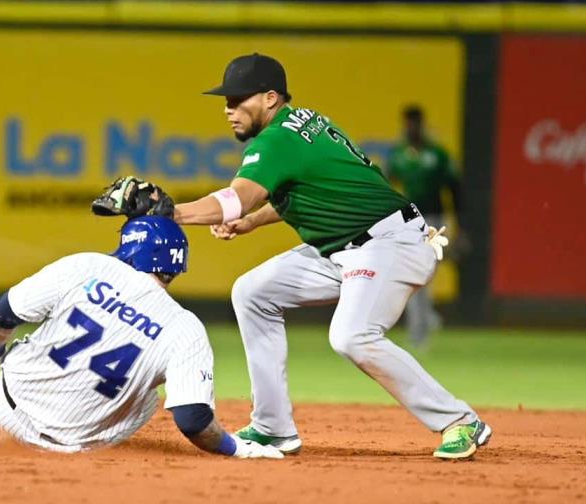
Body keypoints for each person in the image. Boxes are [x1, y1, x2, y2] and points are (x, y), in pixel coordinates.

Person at [96, 53, 491, 459]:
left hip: (388, 244)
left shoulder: (278, 139)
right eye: (226, 101)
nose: (228, 109)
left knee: (352, 336)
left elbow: (238, 198)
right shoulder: (301, 124)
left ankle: (458, 421)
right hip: (348, 248)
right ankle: (273, 428)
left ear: (270, 98)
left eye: (237, 99)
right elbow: (302, 193)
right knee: (253, 292)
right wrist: (252, 223)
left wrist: (171, 212)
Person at [0, 216, 283, 460]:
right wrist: (238, 449)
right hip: (77, 445)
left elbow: (0, 315)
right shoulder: (186, 327)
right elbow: (192, 419)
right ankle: (39, 447)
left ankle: (1, 436)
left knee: (33, 342)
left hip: (6, 404)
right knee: (150, 395)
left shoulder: (88, 266)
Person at [386, 105, 464, 346]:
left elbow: (455, 189)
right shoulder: (399, 154)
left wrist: (459, 225)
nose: (411, 127)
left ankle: (426, 319)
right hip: (410, 220)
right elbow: (388, 185)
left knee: (423, 273)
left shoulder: (437, 154)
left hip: (435, 222)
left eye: (415, 122)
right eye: (408, 123)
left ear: (422, 124)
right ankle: (421, 328)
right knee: (415, 274)